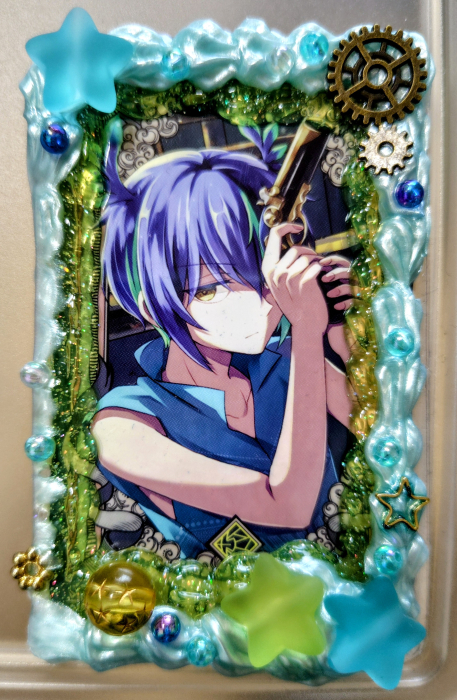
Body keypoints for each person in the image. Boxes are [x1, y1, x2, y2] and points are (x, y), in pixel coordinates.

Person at [91, 127, 354, 559]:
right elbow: (287, 507)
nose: (258, 303)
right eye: (211, 289)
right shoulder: (123, 424)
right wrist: (308, 330)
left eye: (263, 280)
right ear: (153, 308)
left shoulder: (285, 363)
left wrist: (338, 326)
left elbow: (380, 435)